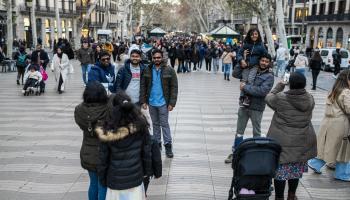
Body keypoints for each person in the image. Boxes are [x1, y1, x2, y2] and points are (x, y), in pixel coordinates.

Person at [265, 73, 317, 200]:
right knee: (295, 171)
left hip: (282, 143)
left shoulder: (280, 98)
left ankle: (279, 197)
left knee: (280, 173)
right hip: (301, 142)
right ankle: (292, 196)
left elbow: (268, 98)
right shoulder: (310, 98)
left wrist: (279, 86)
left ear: (290, 84)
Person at [96, 91, 152, 200]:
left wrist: (102, 179)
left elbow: (103, 159)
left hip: (115, 182)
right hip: (135, 180)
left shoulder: (107, 130)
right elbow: (146, 154)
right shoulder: (141, 126)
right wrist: (146, 173)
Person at [225, 53, 274, 163]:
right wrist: (241, 62)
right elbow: (235, 74)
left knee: (256, 132)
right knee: (239, 131)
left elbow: (262, 91)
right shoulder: (250, 69)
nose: (264, 63)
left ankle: (256, 155)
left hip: (257, 107)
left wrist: (245, 87)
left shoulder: (269, 76)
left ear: (269, 63)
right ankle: (236, 153)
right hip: (244, 105)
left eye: (266, 61)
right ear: (259, 61)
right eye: (262, 60)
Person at [308, 70, 350, 181]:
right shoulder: (346, 92)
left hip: (327, 121)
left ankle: (315, 163)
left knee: (328, 145)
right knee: (343, 148)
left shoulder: (333, 90)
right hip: (340, 123)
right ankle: (342, 174)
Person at [140, 49, 178, 158]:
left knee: (164, 124)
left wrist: (172, 103)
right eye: (155, 58)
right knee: (155, 124)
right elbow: (143, 85)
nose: (157, 59)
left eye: (158, 57)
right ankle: (157, 145)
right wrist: (143, 101)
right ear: (152, 58)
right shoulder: (147, 69)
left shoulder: (169, 70)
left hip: (163, 103)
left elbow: (174, 87)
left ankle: (168, 146)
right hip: (151, 102)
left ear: (162, 58)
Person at [74, 81, 109, 200]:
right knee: (103, 184)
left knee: (93, 183)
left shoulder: (79, 110)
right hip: (104, 153)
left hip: (87, 153)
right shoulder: (107, 109)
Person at [235, 28, 268, 107]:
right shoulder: (246, 44)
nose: (254, 36)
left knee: (250, 80)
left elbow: (266, 56)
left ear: (258, 35)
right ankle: (241, 97)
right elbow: (238, 54)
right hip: (245, 65)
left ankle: (247, 98)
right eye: (252, 34)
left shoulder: (261, 46)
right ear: (250, 35)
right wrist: (241, 60)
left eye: (256, 34)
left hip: (255, 66)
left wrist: (267, 65)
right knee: (244, 81)